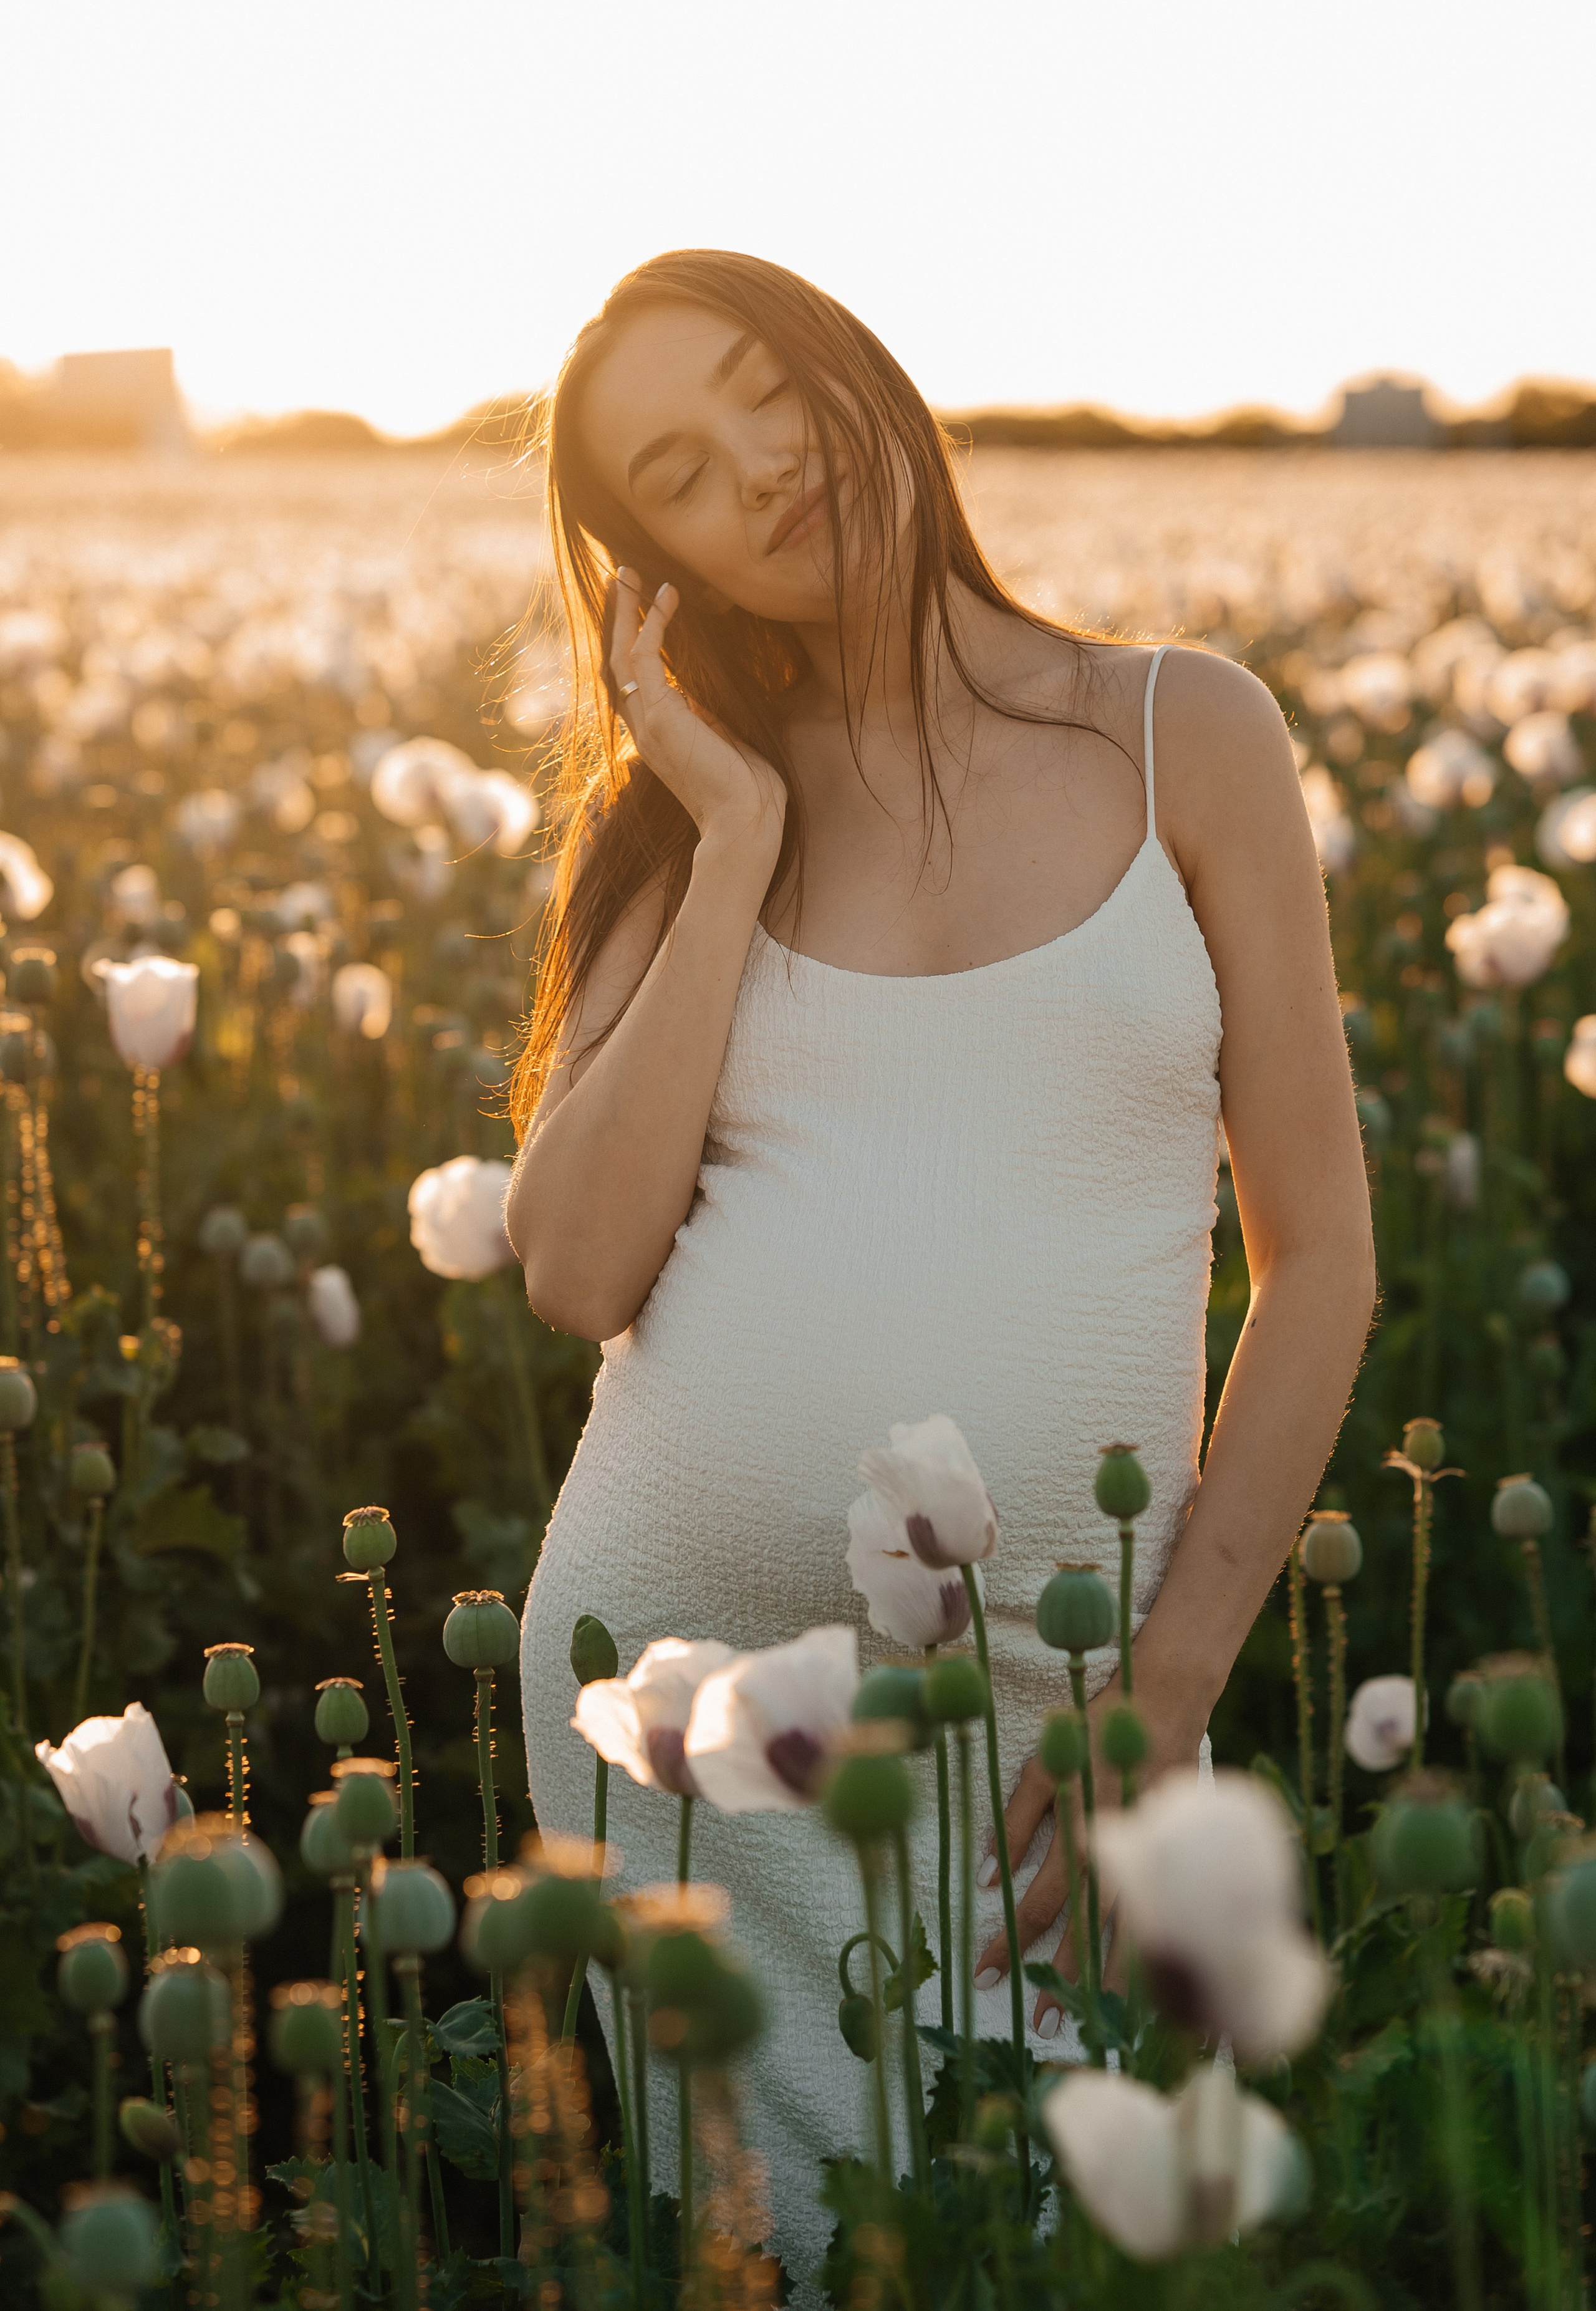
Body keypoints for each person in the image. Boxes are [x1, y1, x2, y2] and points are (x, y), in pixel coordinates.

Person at [506, 249, 1374, 2285]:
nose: (762, 471)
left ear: (853, 367)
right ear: (658, 568)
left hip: (1053, 1715)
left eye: (761, 392)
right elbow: (573, 1263)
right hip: (676, 1740)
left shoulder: (1188, 734)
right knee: (757, 2261)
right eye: (683, 474)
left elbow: (1320, 1257)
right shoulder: (690, 824)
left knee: (1063, 2241)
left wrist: (1168, 1690)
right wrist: (726, 835)